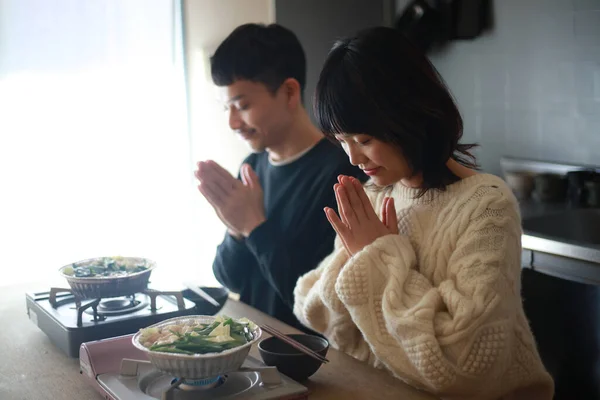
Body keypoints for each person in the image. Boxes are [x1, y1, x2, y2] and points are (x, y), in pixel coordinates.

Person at [293, 27, 554, 399]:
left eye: (364, 140)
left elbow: (464, 364)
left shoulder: (486, 205)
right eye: (342, 141)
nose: (353, 158)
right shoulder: (373, 194)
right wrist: (361, 255)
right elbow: (315, 312)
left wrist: (378, 258)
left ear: (408, 114)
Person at [194, 23, 365, 331]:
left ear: (288, 92)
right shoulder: (252, 167)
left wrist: (253, 226)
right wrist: (236, 230)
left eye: (242, 105)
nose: (233, 122)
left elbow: (317, 304)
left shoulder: (343, 172)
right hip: (252, 347)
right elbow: (229, 278)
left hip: (309, 360)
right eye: (226, 108)